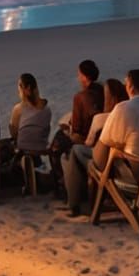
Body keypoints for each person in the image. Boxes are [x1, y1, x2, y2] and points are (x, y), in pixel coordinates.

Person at [61, 68, 139, 218]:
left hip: (135, 177)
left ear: (131, 87)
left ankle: (76, 205)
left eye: (126, 84)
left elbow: (103, 149)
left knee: (79, 151)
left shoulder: (124, 108)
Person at [48, 60, 104, 195]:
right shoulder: (103, 91)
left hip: (87, 140)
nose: (78, 78)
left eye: (79, 75)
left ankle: (63, 186)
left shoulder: (80, 97)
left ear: (85, 77)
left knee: (56, 145)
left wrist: (70, 127)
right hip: (102, 139)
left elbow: (77, 129)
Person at [9, 73, 52, 153]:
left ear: (26, 88)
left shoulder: (18, 108)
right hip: (42, 147)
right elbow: (46, 131)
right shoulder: (46, 108)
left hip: (24, 148)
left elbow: (14, 133)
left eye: (19, 86)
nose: (18, 90)